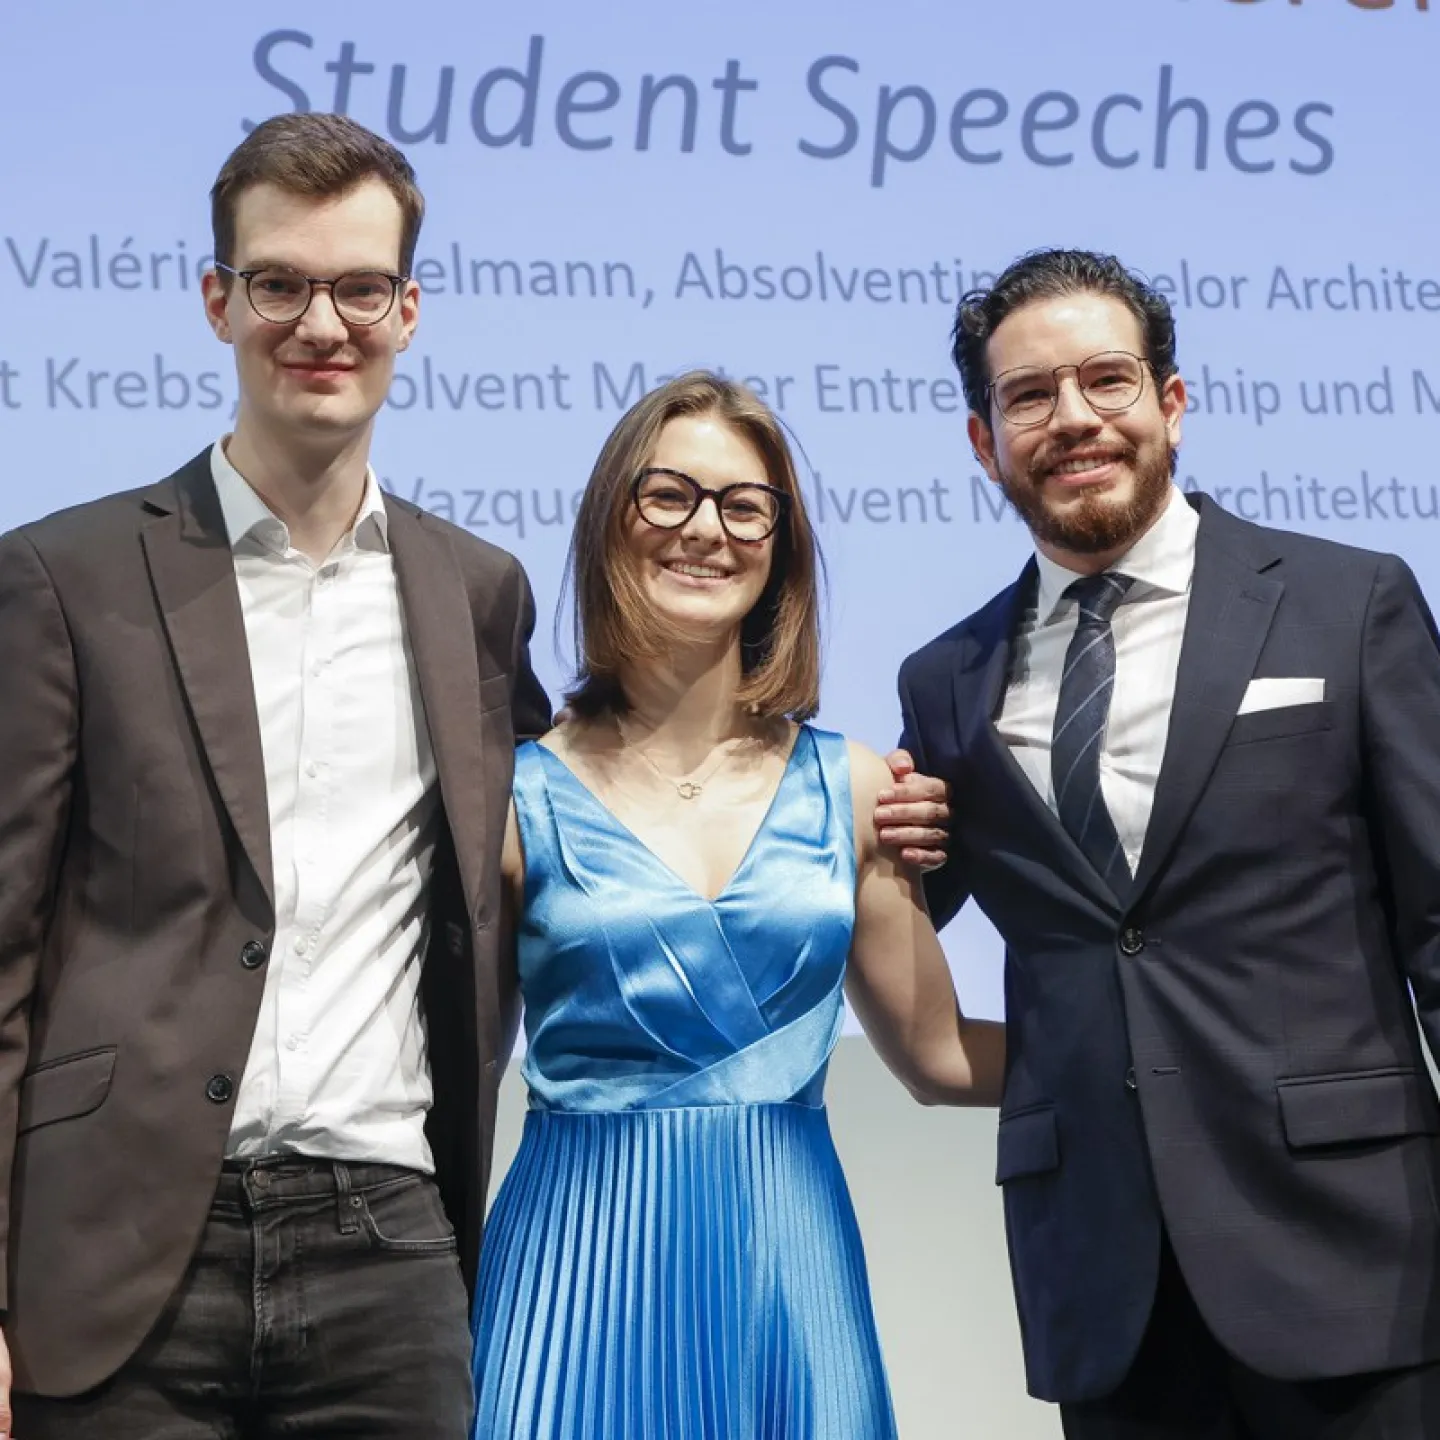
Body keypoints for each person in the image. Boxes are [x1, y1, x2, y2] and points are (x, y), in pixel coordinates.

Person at [0, 113, 551, 1437]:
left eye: (360, 287)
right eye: (279, 284)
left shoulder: (477, 596)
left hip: (388, 1245)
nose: (322, 323)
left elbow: (582, 814)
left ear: (409, 310)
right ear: (218, 299)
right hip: (122, 1250)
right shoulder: (63, 579)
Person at [898, 247, 1440, 1437]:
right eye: (1029, 395)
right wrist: (864, 839)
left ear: (1172, 405)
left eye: (1107, 380)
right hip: (1106, 1275)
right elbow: (890, 926)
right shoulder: (945, 682)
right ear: (985, 443)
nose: (1074, 418)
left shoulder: (1349, 603)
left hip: (1357, 1252)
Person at [468, 371, 1004, 1439]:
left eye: (744, 505)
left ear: (781, 546)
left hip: (785, 1271)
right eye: (667, 495)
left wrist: (1153, 1064)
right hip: (572, 1272)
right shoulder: (512, 794)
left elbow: (939, 1058)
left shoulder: (857, 786)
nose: (705, 530)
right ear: (611, 521)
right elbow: (457, 1071)